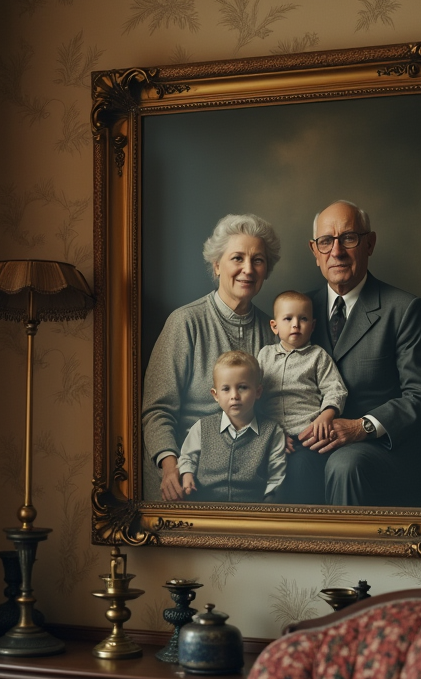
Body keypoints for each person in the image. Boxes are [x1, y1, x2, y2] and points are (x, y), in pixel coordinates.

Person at [299, 200, 421, 506]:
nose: (336, 251)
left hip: (379, 451)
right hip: (313, 442)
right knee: (284, 462)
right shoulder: (298, 313)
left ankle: (343, 555)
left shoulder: (403, 309)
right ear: (314, 251)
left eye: (348, 238)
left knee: (345, 465)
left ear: (369, 243)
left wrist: (361, 427)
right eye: (326, 242)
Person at [141, 214, 280, 501]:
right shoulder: (184, 323)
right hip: (186, 475)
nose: (248, 269)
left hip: (249, 480)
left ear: (266, 271)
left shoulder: (274, 334)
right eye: (237, 258)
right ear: (217, 266)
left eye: (258, 260)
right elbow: (157, 411)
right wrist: (170, 467)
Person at [257, 290, 347, 503]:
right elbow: (254, 396)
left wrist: (327, 415)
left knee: (301, 471)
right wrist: (269, 432)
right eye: (288, 319)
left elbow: (335, 389)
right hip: (273, 434)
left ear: (313, 325)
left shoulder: (317, 356)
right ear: (274, 326)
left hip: (308, 436)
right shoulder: (264, 356)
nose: (296, 324)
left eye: (303, 319)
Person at [177, 351, 287, 502]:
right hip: (206, 509)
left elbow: (276, 476)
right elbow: (187, 457)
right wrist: (187, 474)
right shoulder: (202, 428)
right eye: (226, 389)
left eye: (242, 387)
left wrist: (267, 506)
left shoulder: (272, 432)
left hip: (253, 513)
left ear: (258, 391)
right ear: (215, 395)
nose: (234, 395)